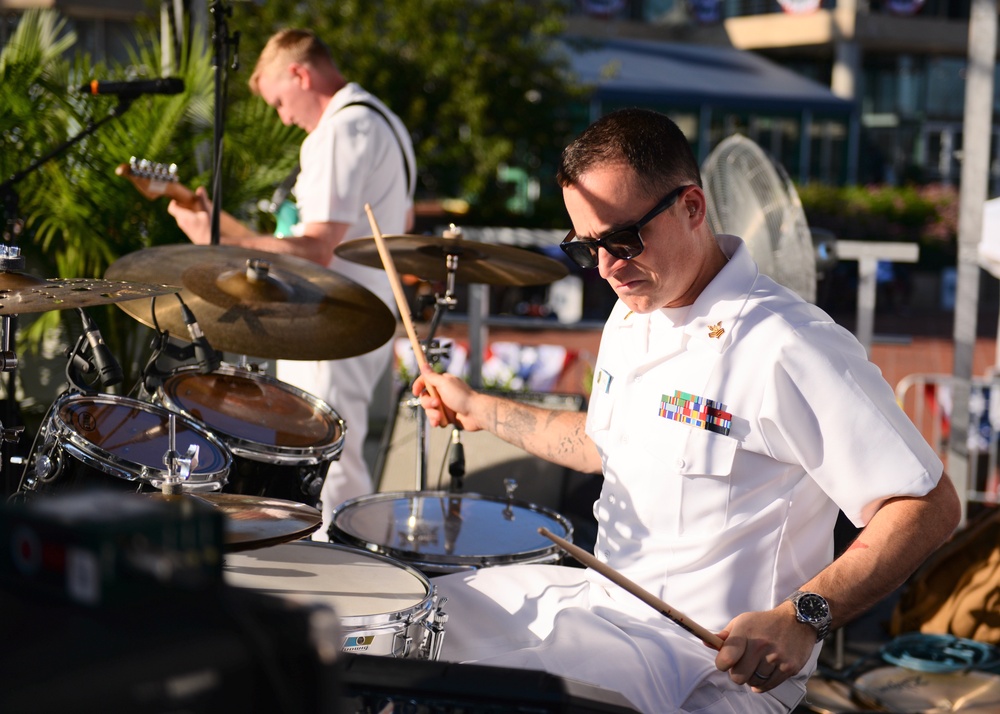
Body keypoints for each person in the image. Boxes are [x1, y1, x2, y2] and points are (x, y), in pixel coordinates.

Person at [412, 108, 961, 713]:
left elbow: (927, 504)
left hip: (717, 669)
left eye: (622, 239)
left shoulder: (788, 343)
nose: (605, 268)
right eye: (586, 245)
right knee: (417, 622)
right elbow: (601, 444)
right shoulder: (633, 311)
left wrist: (803, 617)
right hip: (605, 610)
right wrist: (479, 407)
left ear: (692, 207)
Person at [168, 29, 416, 534]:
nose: (284, 117)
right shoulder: (381, 121)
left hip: (329, 323)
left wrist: (218, 245)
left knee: (324, 470)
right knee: (339, 463)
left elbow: (315, 248)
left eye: (281, 102)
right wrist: (217, 225)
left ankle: (347, 590)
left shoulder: (339, 131)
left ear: (300, 75)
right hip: (360, 319)